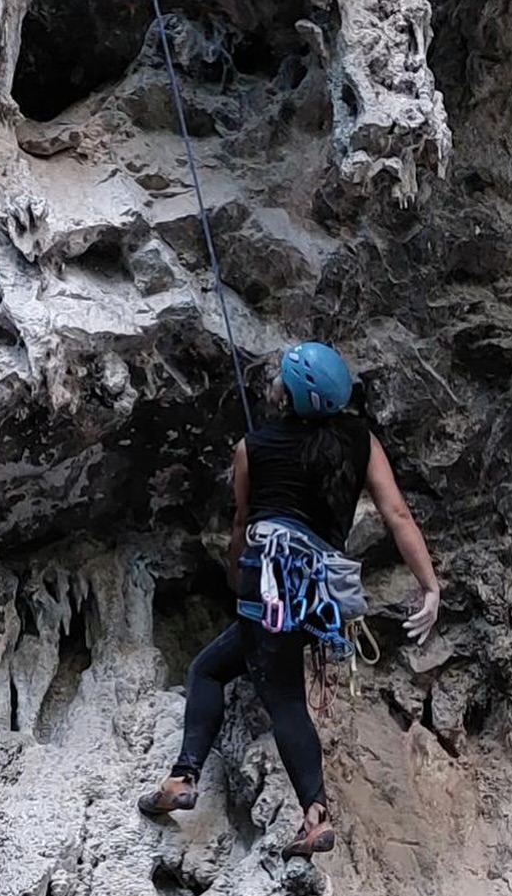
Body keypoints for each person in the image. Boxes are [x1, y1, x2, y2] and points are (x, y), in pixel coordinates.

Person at [138, 342, 441, 859]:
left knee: (259, 689)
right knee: (236, 666)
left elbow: (242, 524)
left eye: (281, 377)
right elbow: (397, 515)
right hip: (318, 589)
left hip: (270, 578)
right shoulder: (360, 442)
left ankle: (300, 810)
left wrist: (237, 574)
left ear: (290, 396)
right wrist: (430, 586)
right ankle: (186, 778)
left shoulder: (251, 448)